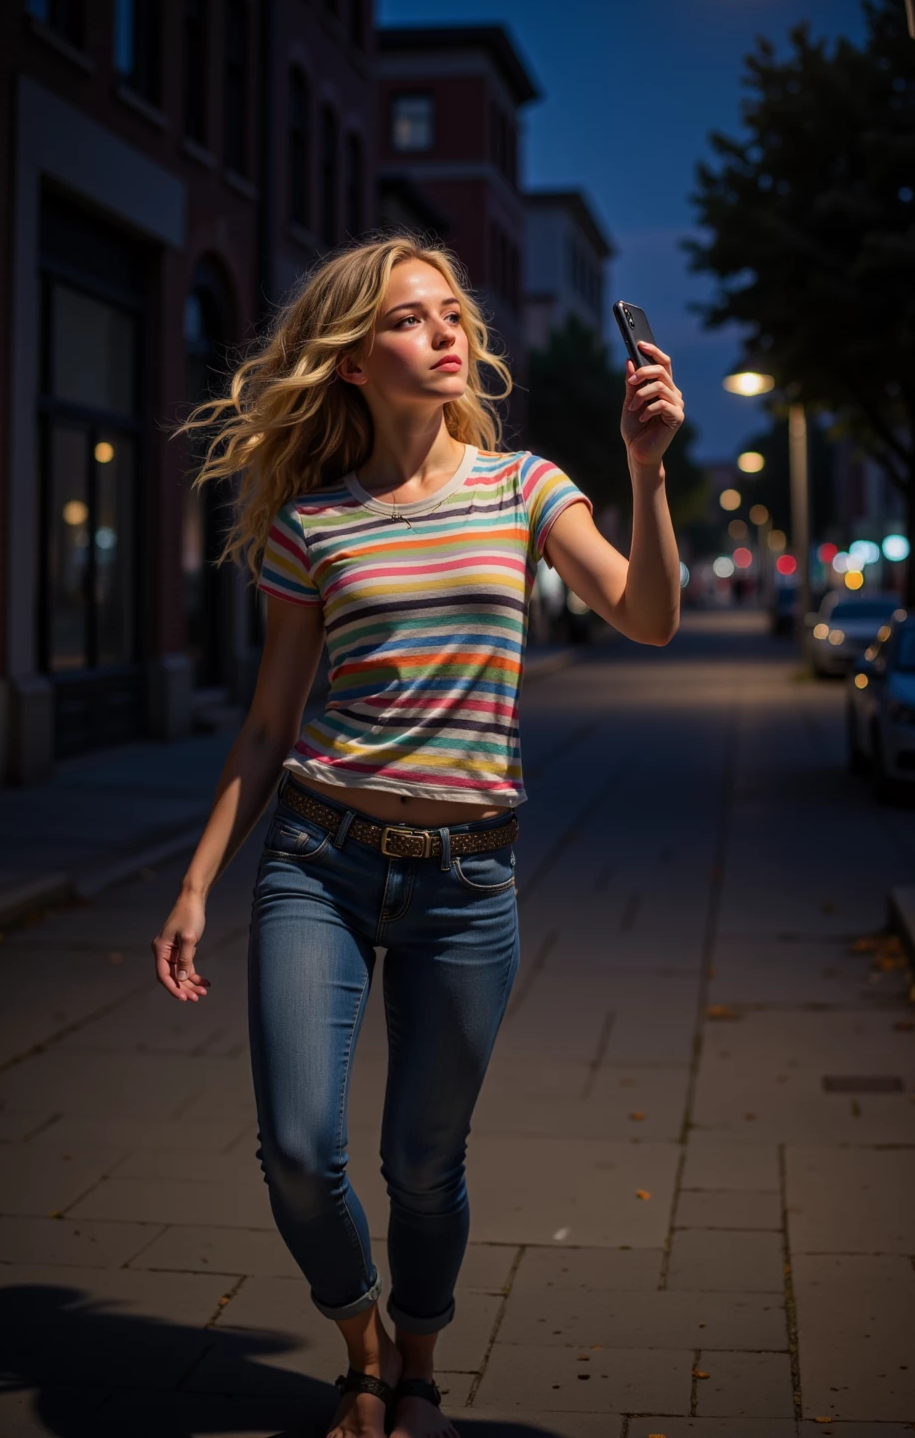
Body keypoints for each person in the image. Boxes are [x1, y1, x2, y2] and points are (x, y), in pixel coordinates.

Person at [152, 235, 684, 1438]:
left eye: (453, 315)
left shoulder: (525, 490)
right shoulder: (312, 526)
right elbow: (268, 725)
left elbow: (648, 616)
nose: (448, 334)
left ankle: (421, 1373)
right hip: (316, 861)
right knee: (296, 1148)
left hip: (465, 879)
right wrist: (195, 885)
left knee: (422, 1166)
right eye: (411, 319)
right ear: (351, 360)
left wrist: (646, 474)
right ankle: (359, 1347)